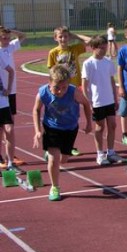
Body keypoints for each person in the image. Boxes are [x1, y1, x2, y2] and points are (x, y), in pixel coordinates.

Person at [32, 65, 92, 201]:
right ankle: (55, 187)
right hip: (51, 127)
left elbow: (86, 104)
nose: (60, 91)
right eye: (57, 88)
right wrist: (37, 131)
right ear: (49, 83)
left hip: (70, 128)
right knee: (54, 160)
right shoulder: (42, 93)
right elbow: (36, 110)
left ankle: (51, 155)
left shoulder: (73, 92)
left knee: (63, 160)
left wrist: (89, 123)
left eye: (64, 87)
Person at [81, 35, 125, 166]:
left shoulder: (108, 62)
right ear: (93, 48)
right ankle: (100, 154)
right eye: (101, 48)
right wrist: (88, 101)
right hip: (97, 100)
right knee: (100, 127)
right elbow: (84, 83)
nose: (104, 50)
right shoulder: (88, 63)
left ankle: (111, 152)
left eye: (105, 47)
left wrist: (115, 97)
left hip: (109, 100)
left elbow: (111, 80)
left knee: (112, 125)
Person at [47, 26, 91, 156]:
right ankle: (55, 144)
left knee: (73, 117)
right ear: (55, 38)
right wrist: (53, 88)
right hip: (60, 89)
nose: (63, 39)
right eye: (60, 36)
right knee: (60, 116)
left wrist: (75, 36)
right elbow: (51, 72)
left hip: (74, 88)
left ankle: (70, 145)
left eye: (65, 36)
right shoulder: (53, 52)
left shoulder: (74, 49)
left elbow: (89, 41)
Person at [0, 26, 26, 167]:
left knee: (10, 126)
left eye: (7, 37)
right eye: (3, 37)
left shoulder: (10, 47)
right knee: (2, 127)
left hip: (11, 92)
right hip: (2, 92)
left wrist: (11, 30)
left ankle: (10, 155)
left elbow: (23, 36)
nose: (6, 39)